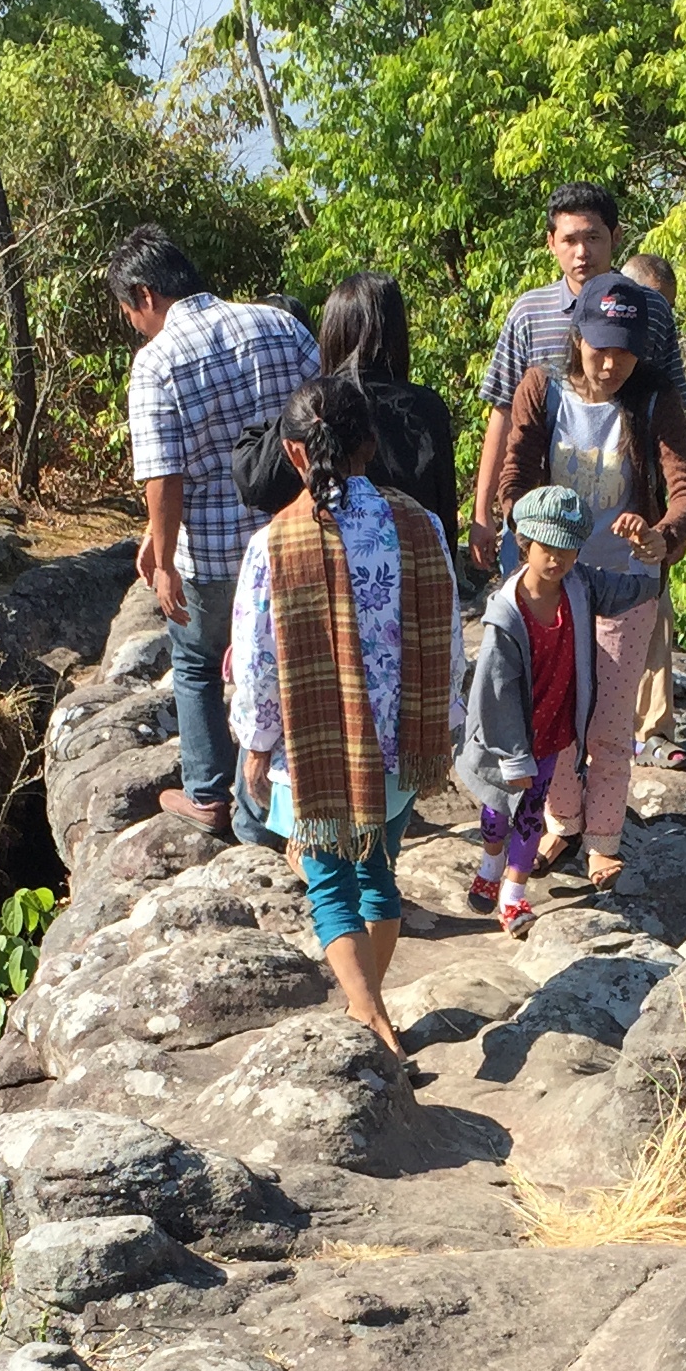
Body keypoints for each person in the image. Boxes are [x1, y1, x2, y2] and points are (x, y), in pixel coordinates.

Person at [228, 377, 457, 1055]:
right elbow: (445, 629)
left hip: (317, 747)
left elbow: (259, 657)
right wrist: (442, 721)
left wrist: (256, 744)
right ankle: (372, 1004)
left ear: (295, 454)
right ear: (371, 442)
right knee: (378, 871)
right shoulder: (419, 524)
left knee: (328, 881)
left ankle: (371, 1019)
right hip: (400, 738)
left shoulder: (275, 542)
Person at [491, 272, 686, 889]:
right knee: (551, 716)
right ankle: (563, 820)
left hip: (629, 580)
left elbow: (683, 485)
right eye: (599, 345)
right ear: (577, 334)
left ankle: (604, 838)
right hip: (554, 581)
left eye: (625, 350)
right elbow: (516, 472)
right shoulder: (541, 387)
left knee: (609, 722)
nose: (610, 363)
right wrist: (527, 532)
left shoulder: (655, 400)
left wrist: (663, 533)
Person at [113, 224, 320, 839]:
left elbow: (163, 475)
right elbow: (329, 414)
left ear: (145, 296)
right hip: (300, 534)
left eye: (129, 311)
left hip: (217, 551)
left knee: (199, 662)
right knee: (298, 658)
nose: (133, 324)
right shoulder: (281, 325)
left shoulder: (156, 362)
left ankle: (210, 793)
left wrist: (165, 558)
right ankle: (306, 790)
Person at [468, 184, 686, 575]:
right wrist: (483, 512)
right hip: (539, 528)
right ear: (551, 242)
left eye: (593, 237)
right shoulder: (529, 312)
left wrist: (671, 529)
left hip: (627, 538)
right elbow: (503, 412)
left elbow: (672, 415)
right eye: (569, 239)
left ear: (616, 237)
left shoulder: (650, 309)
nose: (582, 251)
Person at [457, 484, 597, 937]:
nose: (557, 560)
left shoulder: (577, 589)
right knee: (497, 809)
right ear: (526, 544)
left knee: (533, 810)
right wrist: (513, 755)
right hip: (507, 737)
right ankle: (490, 861)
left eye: (568, 550)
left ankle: (513, 897)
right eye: (547, 548)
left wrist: (653, 561)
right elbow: (494, 693)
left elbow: (623, 589)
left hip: (553, 727)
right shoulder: (505, 612)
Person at [236, 270, 457, 524]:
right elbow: (444, 511)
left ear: (332, 332)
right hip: (413, 554)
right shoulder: (427, 408)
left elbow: (255, 483)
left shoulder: (322, 405)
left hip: (328, 554)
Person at [618, 250, 686, 770]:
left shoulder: (660, 362)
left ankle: (654, 731)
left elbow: (676, 444)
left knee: (655, 613)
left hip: (643, 509)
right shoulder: (582, 347)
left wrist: (670, 529)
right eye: (653, 307)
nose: (658, 321)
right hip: (580, 513)